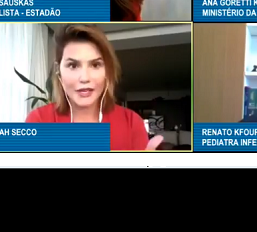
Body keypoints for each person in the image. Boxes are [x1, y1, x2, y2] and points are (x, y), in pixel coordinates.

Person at [26, 24, 163, 151]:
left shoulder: (132, 123)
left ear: (107, 70)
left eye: (96, 65)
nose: (85, 78)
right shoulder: (39, 121)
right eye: (73, 65)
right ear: (58, 70)